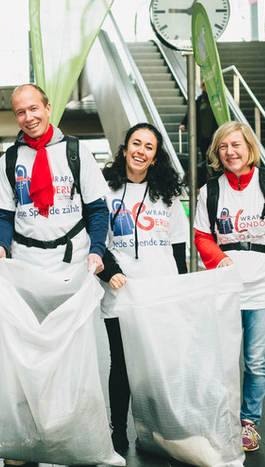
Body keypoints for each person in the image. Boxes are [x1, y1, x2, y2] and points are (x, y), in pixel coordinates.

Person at [0, 83, 110, 467]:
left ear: (48, 106)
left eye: (34, 108)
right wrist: (2, 247)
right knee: (24, 352)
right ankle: (26, 438)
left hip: (70, 264)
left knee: (70, 353)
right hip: (24, 266)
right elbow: (3, 213)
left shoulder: (75, 151)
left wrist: (97, 251)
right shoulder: (10, 159)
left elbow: (98, 208)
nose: (29, 117)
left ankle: (69, 433)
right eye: (20, 112)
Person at [193, 121, 265, 453]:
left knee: (256, 361)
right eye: (224, 147)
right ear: (217, 152)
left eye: (236, 145)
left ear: (249, 147)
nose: (231, 152)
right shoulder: (209, 191)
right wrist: (218, 259)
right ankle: (220, 420)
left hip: (264, 287)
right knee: (220, 359)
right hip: (225, 287)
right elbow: (202, 237)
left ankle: (248, 423)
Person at [96, 123, 188, 452]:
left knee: (157, 364)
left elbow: (177, 248)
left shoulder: (167, 193)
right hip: (121, 293)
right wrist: (111, 273)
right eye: (136, 144)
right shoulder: (104, 190)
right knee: (121, 365)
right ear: (124, 150)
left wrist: (181, 289)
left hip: (160, 292)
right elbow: (95, 241)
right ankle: (117, 431)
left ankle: (154, 430)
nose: (141, 151)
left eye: (149, 147)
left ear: (154, 157)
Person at [178, 82, 219, 177]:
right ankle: (206, 177)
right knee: (205, 156)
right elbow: (190, 113)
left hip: (214, 134)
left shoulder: (216, 99)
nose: (207, 87)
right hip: (203, 135)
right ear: (202, 87)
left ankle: (215, 175)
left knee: (214, 156)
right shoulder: (199, 100)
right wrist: (183, 123)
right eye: (205, 85)